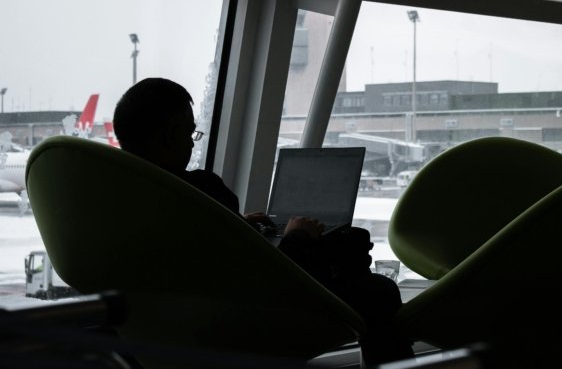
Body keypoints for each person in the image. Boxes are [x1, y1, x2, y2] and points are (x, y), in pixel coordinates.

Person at [112, 77, 414, 367]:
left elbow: (193, 254)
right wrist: (297, 237)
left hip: (165, 325)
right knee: (379, 291)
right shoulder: (200, 191)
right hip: (237, 324)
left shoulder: (117, 199)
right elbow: (268, 289)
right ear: (171, 135)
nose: (193, 144)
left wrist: (236, 225)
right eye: (190, 133)